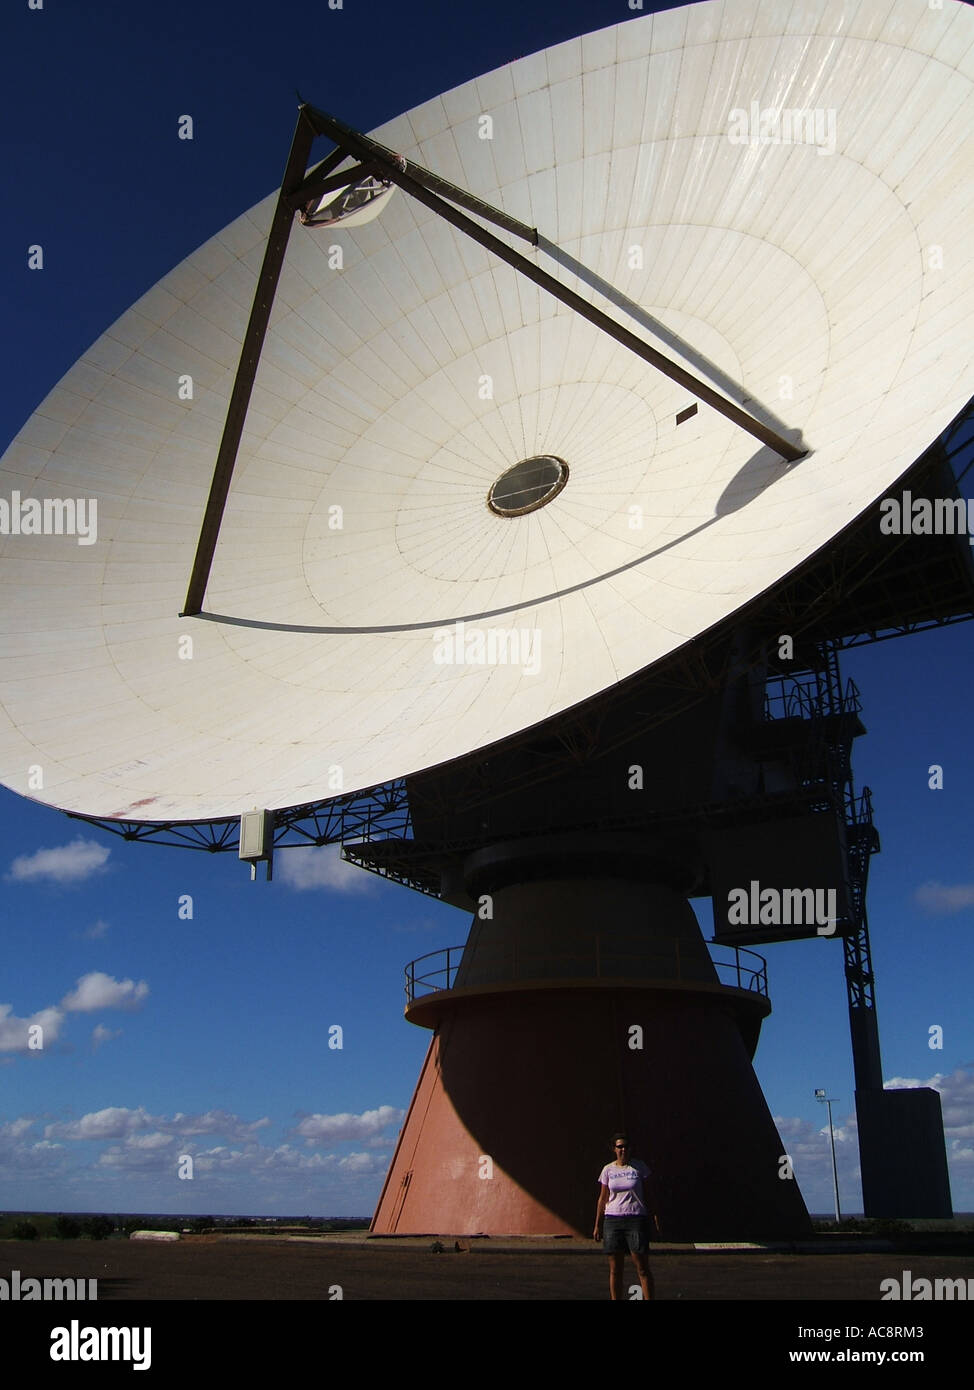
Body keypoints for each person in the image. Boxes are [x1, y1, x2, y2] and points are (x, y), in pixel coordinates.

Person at [593, 1132, 656, 1300]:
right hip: (613, 1219)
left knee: (642, 1267)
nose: (623, 1150)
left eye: (626, 1147)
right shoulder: (608, 1169)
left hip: (635, 1218)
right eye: (619, 1147)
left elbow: (649, 1194)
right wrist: (597, 1225)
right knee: (615, 1269)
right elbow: (603, 1198)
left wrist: (654, 1216)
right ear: (614, 1149)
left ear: (631, 1149)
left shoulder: (639, 1167)